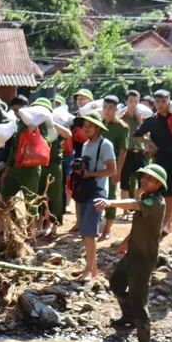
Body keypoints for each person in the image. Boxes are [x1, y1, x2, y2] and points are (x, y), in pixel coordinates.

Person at [94, 163, 168, 342]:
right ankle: (128, 317)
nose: (144, 180)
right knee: (116, 283)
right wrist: (126, 242)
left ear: (159, 184)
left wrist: (110, 203)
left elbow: (134, 205)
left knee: (139, 300)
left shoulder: (156, 202)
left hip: (144, 258)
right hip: (133, 253)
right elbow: (139, 225)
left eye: (149, 178)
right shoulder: (146, 198)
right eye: (143, 177)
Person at [134, 89, 172, 236]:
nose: (161, 104)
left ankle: (165, 224)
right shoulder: (152, 121)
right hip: (161, 158)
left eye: (164, 101)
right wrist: (150, 143)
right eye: (158, 101)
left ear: (169, 101)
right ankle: (161, 222)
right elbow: (137, 135)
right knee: (159, 191)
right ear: (154, 103)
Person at [71, 113, 116, 282]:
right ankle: (91, 267)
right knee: (85, 231)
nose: (86, 128)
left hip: (97, 192)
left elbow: (112, 170)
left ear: (97, 127)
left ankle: (90, 270)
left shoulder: (106, 144)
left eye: (90, 125)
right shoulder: (85, 145)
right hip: (85, 190)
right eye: (84, 125)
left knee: (89, 231)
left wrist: (91, 174)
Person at [32, 98, 71, 237]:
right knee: (38, 195)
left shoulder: (55, 124)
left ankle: (54, 227)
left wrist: (52, 122)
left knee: (56, 196)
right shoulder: (32, 124)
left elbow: (68, 135)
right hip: (37, 165)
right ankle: (38, 226)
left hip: (54, 165)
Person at [99, 96, 129, 241]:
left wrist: (118, 172)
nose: (107, 110)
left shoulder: (122, 127)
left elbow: (123, 151)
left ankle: (107, 228)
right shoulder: (99, 124)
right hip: (98, 165)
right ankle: (95, 225)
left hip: (112, 165)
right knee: (96, 193)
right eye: (105, 107)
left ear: (116, 109)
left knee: (111, 196)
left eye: (111, 108)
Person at [119, 90, 150, 201]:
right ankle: (125, 209)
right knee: (124, 184)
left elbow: (148, 135)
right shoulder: (121, 118)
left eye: (136, 101)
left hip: (140, 153)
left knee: (144, 183)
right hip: (126, 154)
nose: (133, 104)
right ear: (126, 102)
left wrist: (140, 120)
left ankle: (138, 205)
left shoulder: (143, 118)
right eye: (131, 101)